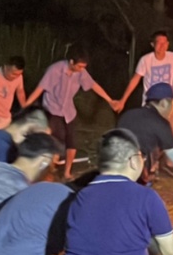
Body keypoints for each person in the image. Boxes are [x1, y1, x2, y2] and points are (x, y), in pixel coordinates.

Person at [25, 51, 119, 181]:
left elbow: (93, 85)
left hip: (68, 111)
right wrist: (27, 105)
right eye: (79, 66)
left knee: (72, 143)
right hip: (52, 109)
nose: (81, 69)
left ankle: (67, 173)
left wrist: (109, 100)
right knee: (55, 141)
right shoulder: (55, 70)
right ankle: (48, 171)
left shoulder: (81, 72)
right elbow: (40, 88)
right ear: (71, 62)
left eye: (83, 67)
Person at [117, 83, 173, 197]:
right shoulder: (159, 123)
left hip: (112, 169)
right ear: (163, 103)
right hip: (133, 175)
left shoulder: (128, 114)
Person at [115, 31, 173, 145]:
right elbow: (135, 80)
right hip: (152, 104)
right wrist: (123, 100)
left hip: (168, 103)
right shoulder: (146, 60)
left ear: (168, 44)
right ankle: (152, 154)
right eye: (159, 43)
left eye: (164, 43)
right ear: (153, 44)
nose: (162, 45)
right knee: (153, 136)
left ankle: (171, 154)